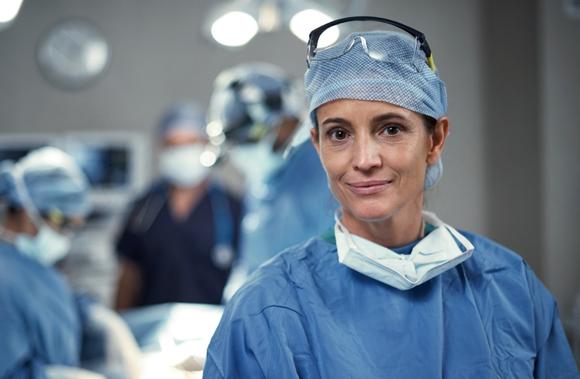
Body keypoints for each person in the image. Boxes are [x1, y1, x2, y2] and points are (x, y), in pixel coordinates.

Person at [203, 17, 579, 378]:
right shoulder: (264, 311)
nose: (365, 160)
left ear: (435, 140)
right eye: (339, 134)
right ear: (316, 145)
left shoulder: (510, 288)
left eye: (391, 129)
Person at [0, 147, 140, 379]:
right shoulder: (6, 276)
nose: (67, 237)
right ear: (27, 211)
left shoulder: (34, 267)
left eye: (75, 228)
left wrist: (101, 319)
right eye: (64, 224)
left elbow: (57, 303)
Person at [207, 63, 336, 288]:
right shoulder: (265, 178)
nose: (242, 153)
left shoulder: (326, 169)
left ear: (285, 120)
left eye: (248, 141)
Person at [115, 103, 243, 309]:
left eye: (190, 142)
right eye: (173, 144)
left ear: (207, 144)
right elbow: (129, 274)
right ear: (161, 149)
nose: (182, 152)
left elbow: (247, 276)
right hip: (150, 328)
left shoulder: (232, 209)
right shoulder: (144, 209)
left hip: (214, 328)